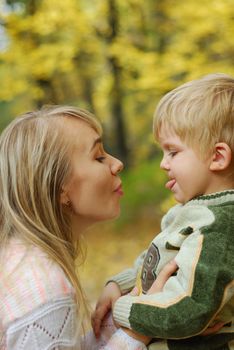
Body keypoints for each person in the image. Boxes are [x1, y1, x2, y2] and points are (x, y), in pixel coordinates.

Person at [92, 73, 234, 349]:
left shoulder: (219, 225)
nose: (163, 164)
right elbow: (158, 259)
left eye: (173, 152)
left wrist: (126, 308)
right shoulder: (196, 211)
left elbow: (189, 310)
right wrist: (120, 284)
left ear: (217, 157)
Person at [0, 105, 156, 350]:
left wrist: (114, 326)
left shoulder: (18, 258)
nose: (117, 164)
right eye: (99, 157)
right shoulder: (45, 289)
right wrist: (136, 334)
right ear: (60, 187)